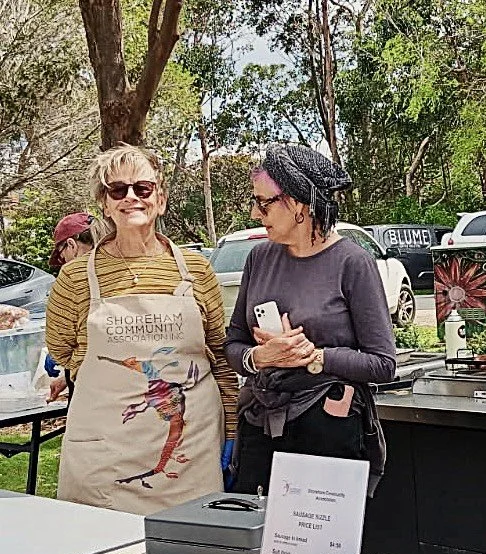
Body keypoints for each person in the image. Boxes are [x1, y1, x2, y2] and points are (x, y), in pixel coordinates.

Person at [46, 144, 238, 515]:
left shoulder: (197, 271)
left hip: (190, 455)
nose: (131, 197)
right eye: (118, 190)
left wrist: (231, 431)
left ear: (160, 200)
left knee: (190, 551)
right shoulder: (74, 279)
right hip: (105, 458)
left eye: (143, 188)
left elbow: (220, 356)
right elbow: (63, 351)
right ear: (104, 204)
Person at [225, 146, 395, 498]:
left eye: (264, 203)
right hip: (260, 425)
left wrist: (314, 357)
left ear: (299, 204)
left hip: (327, 429)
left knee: (318, 532)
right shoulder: (259, 258)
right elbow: (233, 343)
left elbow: (382, 364)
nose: (255, 213)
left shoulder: (353, 262)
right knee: (252, 531)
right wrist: (259, 358)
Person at [44, 212, 98, 403]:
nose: (63, 263)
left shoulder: (73, 277)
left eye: (61, 256)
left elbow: (59, 345)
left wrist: (67, 363)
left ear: (71, 245)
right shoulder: (123, 267)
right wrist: (66, 379)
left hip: (92, 389)